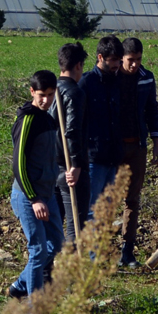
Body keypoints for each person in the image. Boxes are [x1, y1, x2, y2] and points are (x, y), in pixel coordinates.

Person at [7, 70, 63, 297]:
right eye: (41, 95)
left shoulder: (48, 119)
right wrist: (34, 199)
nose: (46, 100)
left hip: (48, 193)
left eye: (50, 95)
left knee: (56, 244)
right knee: (38, 250)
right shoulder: (27, 121)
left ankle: (20, 286)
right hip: (28, 196)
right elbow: (18, 165)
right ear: (32, 92)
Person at [118, 38, 158, 268]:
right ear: (121, 58)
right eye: (130, 60)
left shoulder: (147, 78)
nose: (134, 64)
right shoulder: (111, 78)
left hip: (137, 146)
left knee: (132, 199)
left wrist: (156, 143)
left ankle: (127, 251)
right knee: (106, 199)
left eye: (138, 59)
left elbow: (152, 110)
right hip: (113, 148)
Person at [78, 35, 126, 212]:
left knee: (107, 212)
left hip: (113, 158)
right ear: (100, 57)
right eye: (112, 60)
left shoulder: (117, 82)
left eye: (119, 60)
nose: (117, 64)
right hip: (93, 158)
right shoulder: (85, 83)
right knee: (91, 211)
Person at [52, 42, 89, 245]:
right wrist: (76, 164)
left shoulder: (50, 91)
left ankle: (52, 261)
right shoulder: (74, 93)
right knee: (75, 224)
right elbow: (72, 130)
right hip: (69, 167)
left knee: (54, 222)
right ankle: (72, 261)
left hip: (51, 165)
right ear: (78, 65)